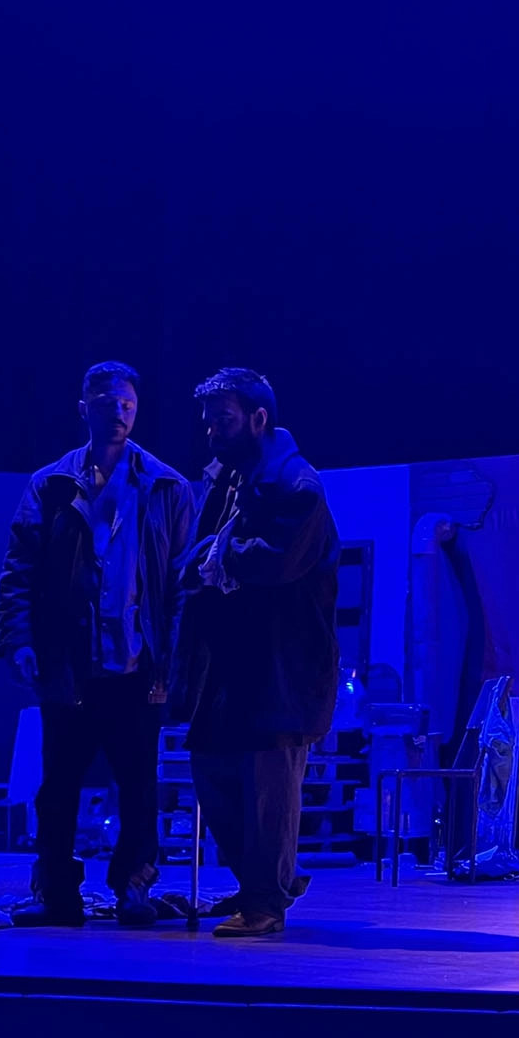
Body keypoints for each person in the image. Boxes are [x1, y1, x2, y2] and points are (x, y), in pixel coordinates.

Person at [0, 361, 196, 927]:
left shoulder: (166, 487)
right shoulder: (52, 484)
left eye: (128, 405)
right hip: (71, 666)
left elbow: (182, 582)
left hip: (137, 666)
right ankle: (57, 892)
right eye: (109, 404)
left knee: (138, 786)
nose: (120, 414)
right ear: (85, 408)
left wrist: (173, 659)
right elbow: (20, 570)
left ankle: (134, 885)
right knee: (58, 787)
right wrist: (19, 640)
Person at [170, 368, 340, 938]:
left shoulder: (295, 484)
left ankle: (265, 901)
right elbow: (206, 552)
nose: (211, 432)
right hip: (231, 666)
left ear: (257, 419)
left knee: (268, 789)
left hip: (279, 668)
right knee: (213, 768)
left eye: (223, 420)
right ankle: (266, 883)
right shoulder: (232, 479)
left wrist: (219, 557)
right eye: (208, 421)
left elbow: (276, 562)